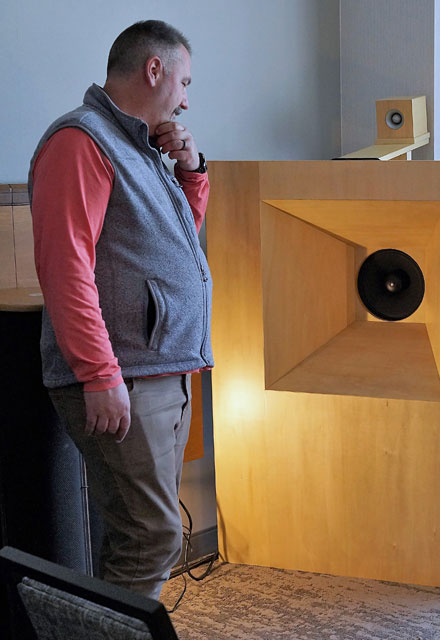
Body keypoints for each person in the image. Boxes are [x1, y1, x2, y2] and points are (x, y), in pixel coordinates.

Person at [29, 20, 213, 600]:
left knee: (145, 537)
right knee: (150, 538)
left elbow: (172, 247)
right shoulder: (81, 141)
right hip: (124, 376)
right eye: (184, 82)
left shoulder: (141, 148)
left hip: (161, 370)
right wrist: (99, 373)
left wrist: (191, 175)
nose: (186, 101)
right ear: (154, 69)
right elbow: (66, 268)